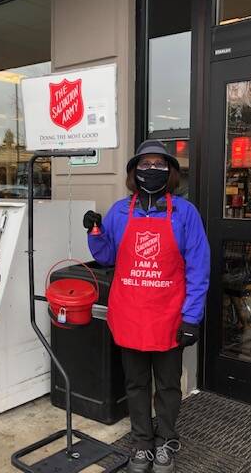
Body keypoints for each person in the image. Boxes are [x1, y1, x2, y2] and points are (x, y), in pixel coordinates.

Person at [83, 140, 209, 473]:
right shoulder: (120, 212)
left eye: (158, 165)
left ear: (170, 172)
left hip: (169, 317)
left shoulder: (185, 214)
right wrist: (95, 231)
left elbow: (199, 268)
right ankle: (142, 442)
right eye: (145, 164)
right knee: (136, 384)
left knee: (168, 385)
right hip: (130, 315)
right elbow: (107, 256)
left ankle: (166, 438)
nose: (151, 170)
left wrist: (191, 317)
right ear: (133, 172)